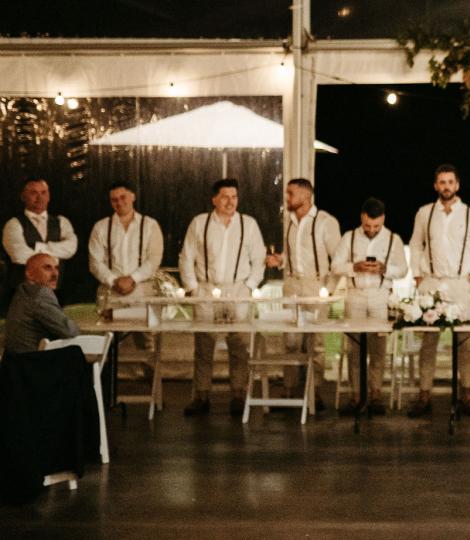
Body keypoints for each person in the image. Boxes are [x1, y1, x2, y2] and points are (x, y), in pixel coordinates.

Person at [406, 164, 470, 418]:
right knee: (429, 340)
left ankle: (467, 393)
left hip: (459, 284)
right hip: (431, 282)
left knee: (465, 341)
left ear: (457, 185)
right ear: (436, 185)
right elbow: (415, 244)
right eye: (441, 182)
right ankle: (425, 394)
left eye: (450, 182)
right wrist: (416, 273)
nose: (446, 186)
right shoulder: (425, 213)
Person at [178, 179, 266, 416]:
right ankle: (201, 395)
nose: (230, 202)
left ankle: (238, 393)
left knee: (239, 344)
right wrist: (193, 288)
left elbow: (259, 258)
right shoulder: (200, 223)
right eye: (225, 197)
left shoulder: (248, 224)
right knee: (203, 344)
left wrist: (249, 286)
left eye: (234, 197)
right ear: (214, 199)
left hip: (238, 289)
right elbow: (186, 257)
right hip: (206, 289)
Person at [265, 178, 341, 408]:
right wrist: (280, 261)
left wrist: (329, 290)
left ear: (306, 197)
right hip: (292, 285)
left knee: (315, 341)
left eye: (291, 194)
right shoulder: (289, 221)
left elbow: (337, 260)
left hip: (315, 285)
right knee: (290, 340)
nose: (287, 198)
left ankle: (314, 390)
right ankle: (289, 389)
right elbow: (294, 255)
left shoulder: (325, 222)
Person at [332, 197, 408, 415]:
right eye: (367, 225)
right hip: (355, 294)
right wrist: (354, 266)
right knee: (354, 348)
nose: (372, 230)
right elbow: (335, 266)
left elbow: (402, 269)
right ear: (361, 218)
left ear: (383, 219)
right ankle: (356, 395)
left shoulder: (393, 238)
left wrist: (385, 269)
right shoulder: (350, 237)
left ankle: (375, 394)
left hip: (380, 296)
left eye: (376, 226)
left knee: (378, 348)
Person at [2, 177, 78, 312]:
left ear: (49, 196)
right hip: (24, 294)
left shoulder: (62, 221)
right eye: (33, 193)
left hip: (57, 293)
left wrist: (37, 247)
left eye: (43, 192)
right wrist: (55, 251)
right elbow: (19, 255)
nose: (39, 197)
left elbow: (71, 248)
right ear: (23, 196)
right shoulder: (13, 224)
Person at [87, 180, 164, 306]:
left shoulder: (150, 225)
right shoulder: (100, 227)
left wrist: (133, 278)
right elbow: (95, 262)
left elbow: (154, 259)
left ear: (133, 197)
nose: (119, 202)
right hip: (110, 291)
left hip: (143, 291)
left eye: (123, 197)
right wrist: (113, 281)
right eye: (114, 200)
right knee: (110, 326)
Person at [3, 253, 79, 353]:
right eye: (47, 268)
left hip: (14, 363)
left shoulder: (24, 290)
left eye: (56, 268)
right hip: (31, 364)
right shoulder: (40, 293)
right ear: (29, 274)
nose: (55, 274)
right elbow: (69, 330)